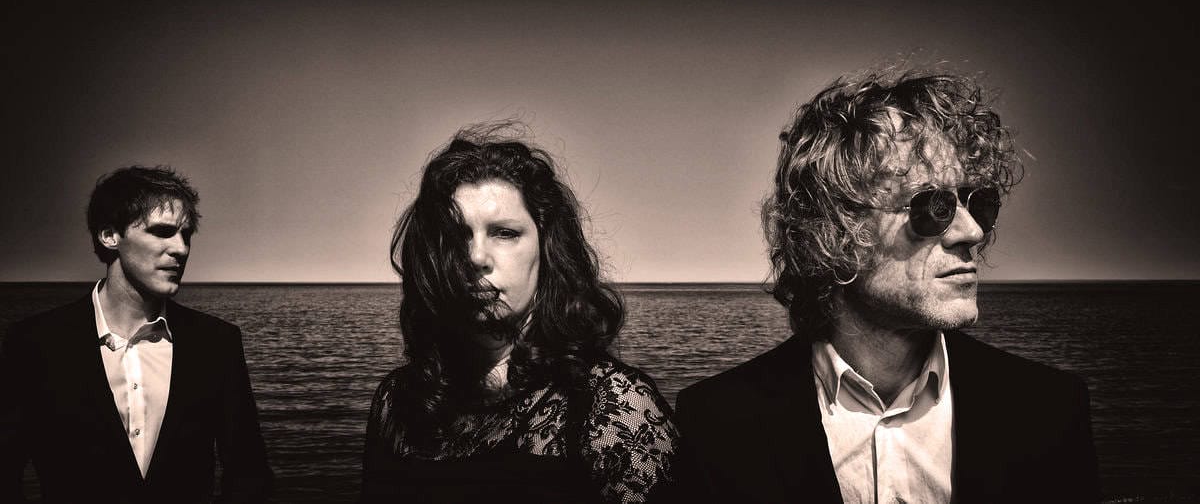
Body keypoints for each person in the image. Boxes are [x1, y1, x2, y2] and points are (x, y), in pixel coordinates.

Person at [674, 71, 1099, 503]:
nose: (971, 231)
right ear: (834, 231)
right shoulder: (718, 425)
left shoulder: (1049, 411)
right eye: (934, 206)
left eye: (979, 203)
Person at [361, 125, 678, 503]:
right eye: (457, 235)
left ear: (547, 250)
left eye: (504, 233)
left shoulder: (609, 406)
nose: (475, 257)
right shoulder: (398, 400)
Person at [1, 166, 272, 503]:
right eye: (162, 232)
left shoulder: (217, 343)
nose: (181, 249)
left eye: (185, 234)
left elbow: (248, 475)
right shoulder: (36, 344)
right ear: (109, 235)